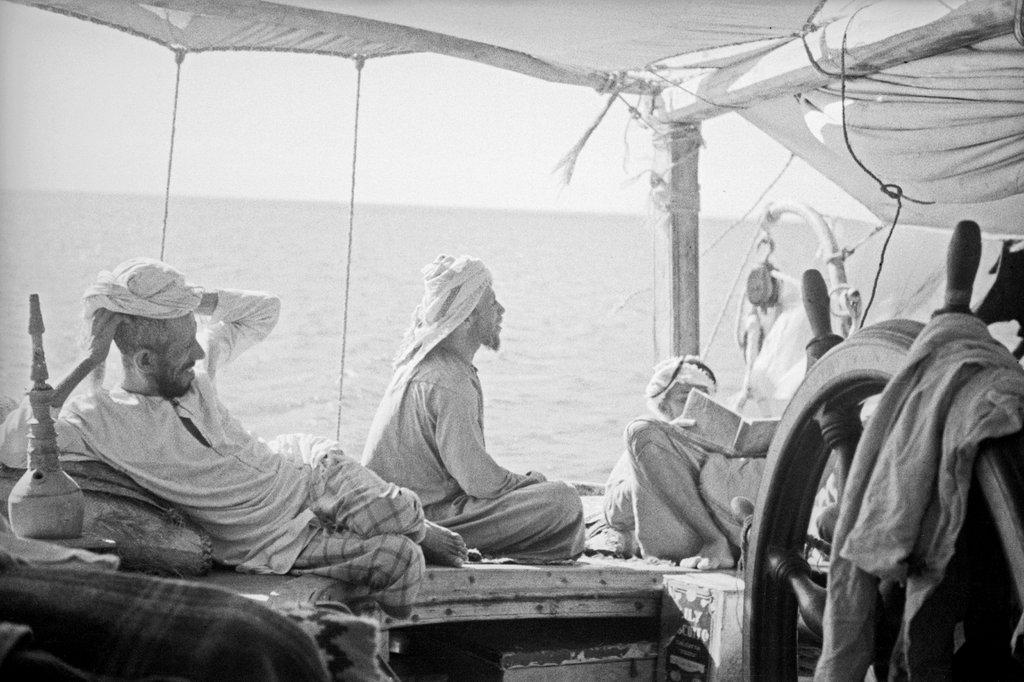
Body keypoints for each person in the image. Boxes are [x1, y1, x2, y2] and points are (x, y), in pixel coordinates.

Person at [0, 257, 468, 618]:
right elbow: (14, 442)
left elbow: (264, 310)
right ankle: (368, 636)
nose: (201, 349)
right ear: (144, 361)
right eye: (187, 345)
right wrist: (88, 358)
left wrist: (185, 303)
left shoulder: (197, 374)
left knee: (401, 510)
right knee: (401, 561)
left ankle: (417, 525)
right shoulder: (100, 420)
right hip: (273, 541)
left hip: (307, 473)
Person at [362, 255, 585, 561]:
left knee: (551, 497)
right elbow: (478, 481)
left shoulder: (429, 368)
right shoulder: (449, 380)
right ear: (467, 316)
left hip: (404, 513)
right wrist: (527, 483)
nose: (501, 310)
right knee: (563, 502)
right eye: (492, 303)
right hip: (424, 521)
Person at [600, 356, 764, 569]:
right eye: (683, 398)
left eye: (701, 399)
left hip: (733, 526)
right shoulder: (649, 443)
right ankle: (714, 539)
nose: (692, 405)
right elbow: (614, 512)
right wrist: (659, 467)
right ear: (664, 407)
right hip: (678, 535)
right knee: (641, 430)